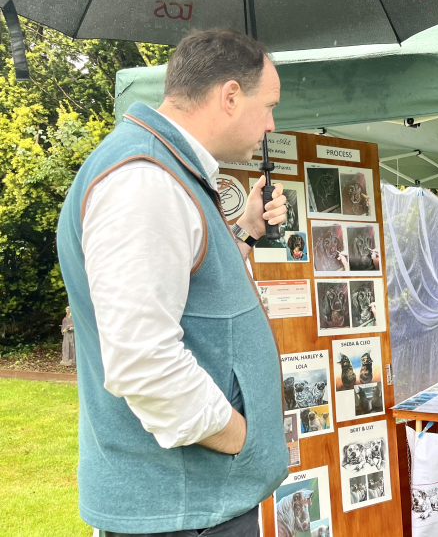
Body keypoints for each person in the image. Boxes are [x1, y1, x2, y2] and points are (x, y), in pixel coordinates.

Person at [56, 30, 289, 536]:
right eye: (268, 105)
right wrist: (239, 438)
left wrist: (246, 233)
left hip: (193, 510)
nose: (271, 124)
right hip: (181, 516)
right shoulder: (143, 181)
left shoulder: (165, 170)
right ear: (230, 96)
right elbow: (143, 362)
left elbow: (191, 291)